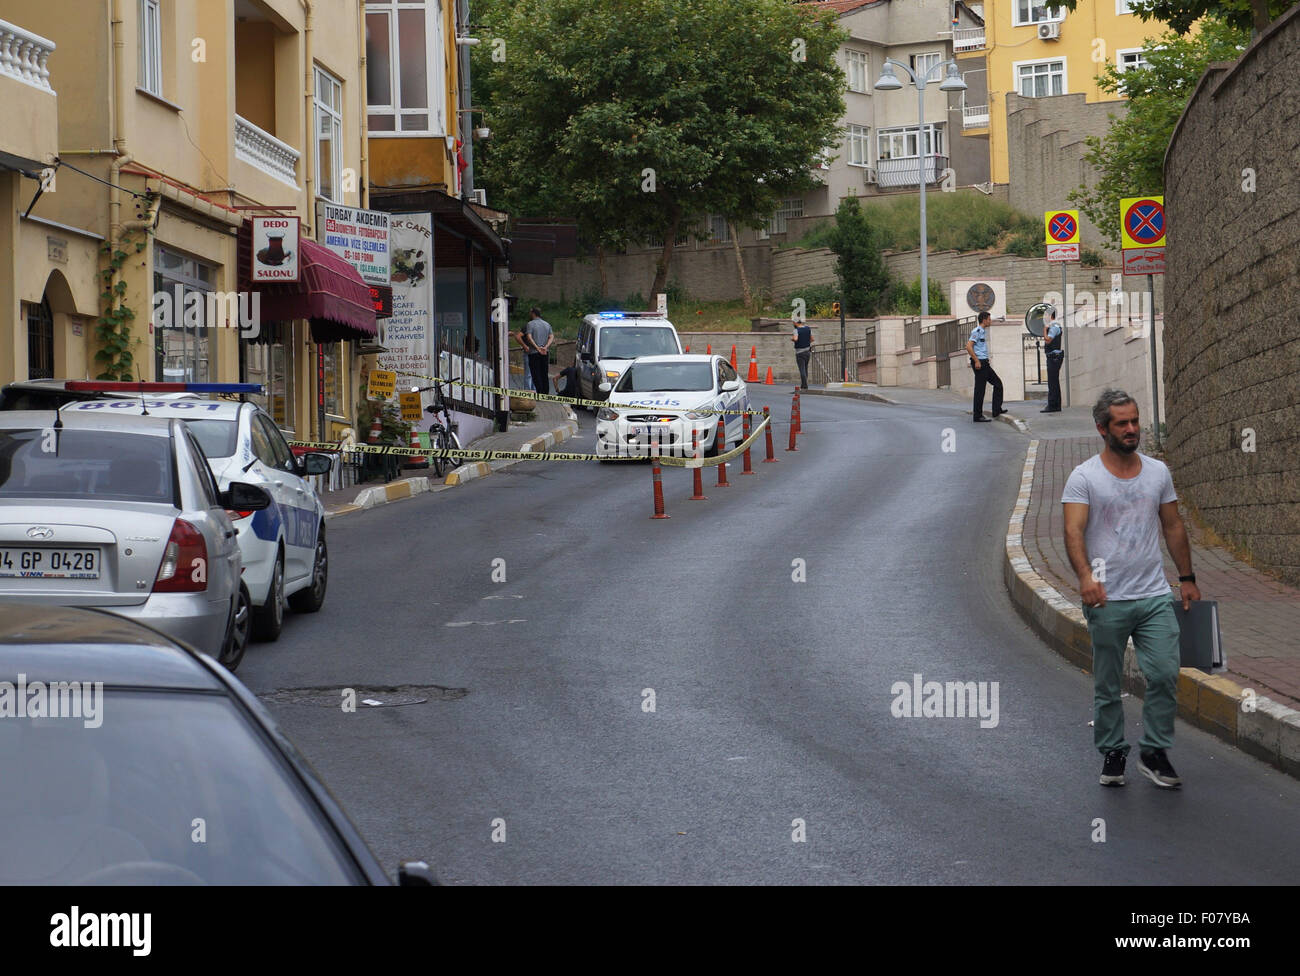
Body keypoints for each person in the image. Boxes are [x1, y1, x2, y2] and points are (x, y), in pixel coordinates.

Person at [1062, 389, 1202, 790]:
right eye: (1122, 423)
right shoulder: (1085, 477)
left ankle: (1154, 750)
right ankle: (1112, 749)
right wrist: (1086, 577)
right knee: (1108, 685)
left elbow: (1173, 525)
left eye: (1135, 421)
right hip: (1106, 599)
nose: (1131, 429)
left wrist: (1187, 579)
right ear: (1102, 428)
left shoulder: (1158, 472)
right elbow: (1072, 530)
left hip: (1154, 594)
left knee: (1163, 674)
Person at [965, 311, 1004, 422]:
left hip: (984, 363)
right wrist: (977, 361)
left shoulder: (982, 331)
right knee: (980, 390)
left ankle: (996, 410)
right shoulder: (977, 331)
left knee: (998, 384)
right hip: (980, 364)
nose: (990, 321)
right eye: (989, 319)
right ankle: (977, 416)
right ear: (984, 320)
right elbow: (968, 346)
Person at [522, 307, 552, 395]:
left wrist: (537, 347)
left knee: (535, 373)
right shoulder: (547, 324)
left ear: (533, 313)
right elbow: (551, 336)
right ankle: (545, 393)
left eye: (530, 312)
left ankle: (539, 392)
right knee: (544, 372)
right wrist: (546, 347)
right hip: (545, 352)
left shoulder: (530, 324)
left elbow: (529, 337)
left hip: (534, 353)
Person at [1042, 309, 1063, 413]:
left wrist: (1044, 330)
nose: (1044, 318)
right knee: (1054, 382)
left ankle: (1052, 406)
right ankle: (1056, 405)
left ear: (1050, 316)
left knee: (1052, 383)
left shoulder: (1054, 327)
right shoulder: (1055, 326)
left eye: (1046, 316)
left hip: (1054, 358)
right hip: (1054, 357)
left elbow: (1048, 340)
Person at [791, 319, 814, 389]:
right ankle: (804, 384)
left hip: (800, 352)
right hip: (807, 352)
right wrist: (806, 342)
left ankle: (804, 385)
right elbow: (812, 339)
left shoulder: (796, 330)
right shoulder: (808, 328)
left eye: (793, 323)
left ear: (795, 323)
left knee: (802, 369)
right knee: (805, 368)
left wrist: (792, 339)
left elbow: (795, 339)